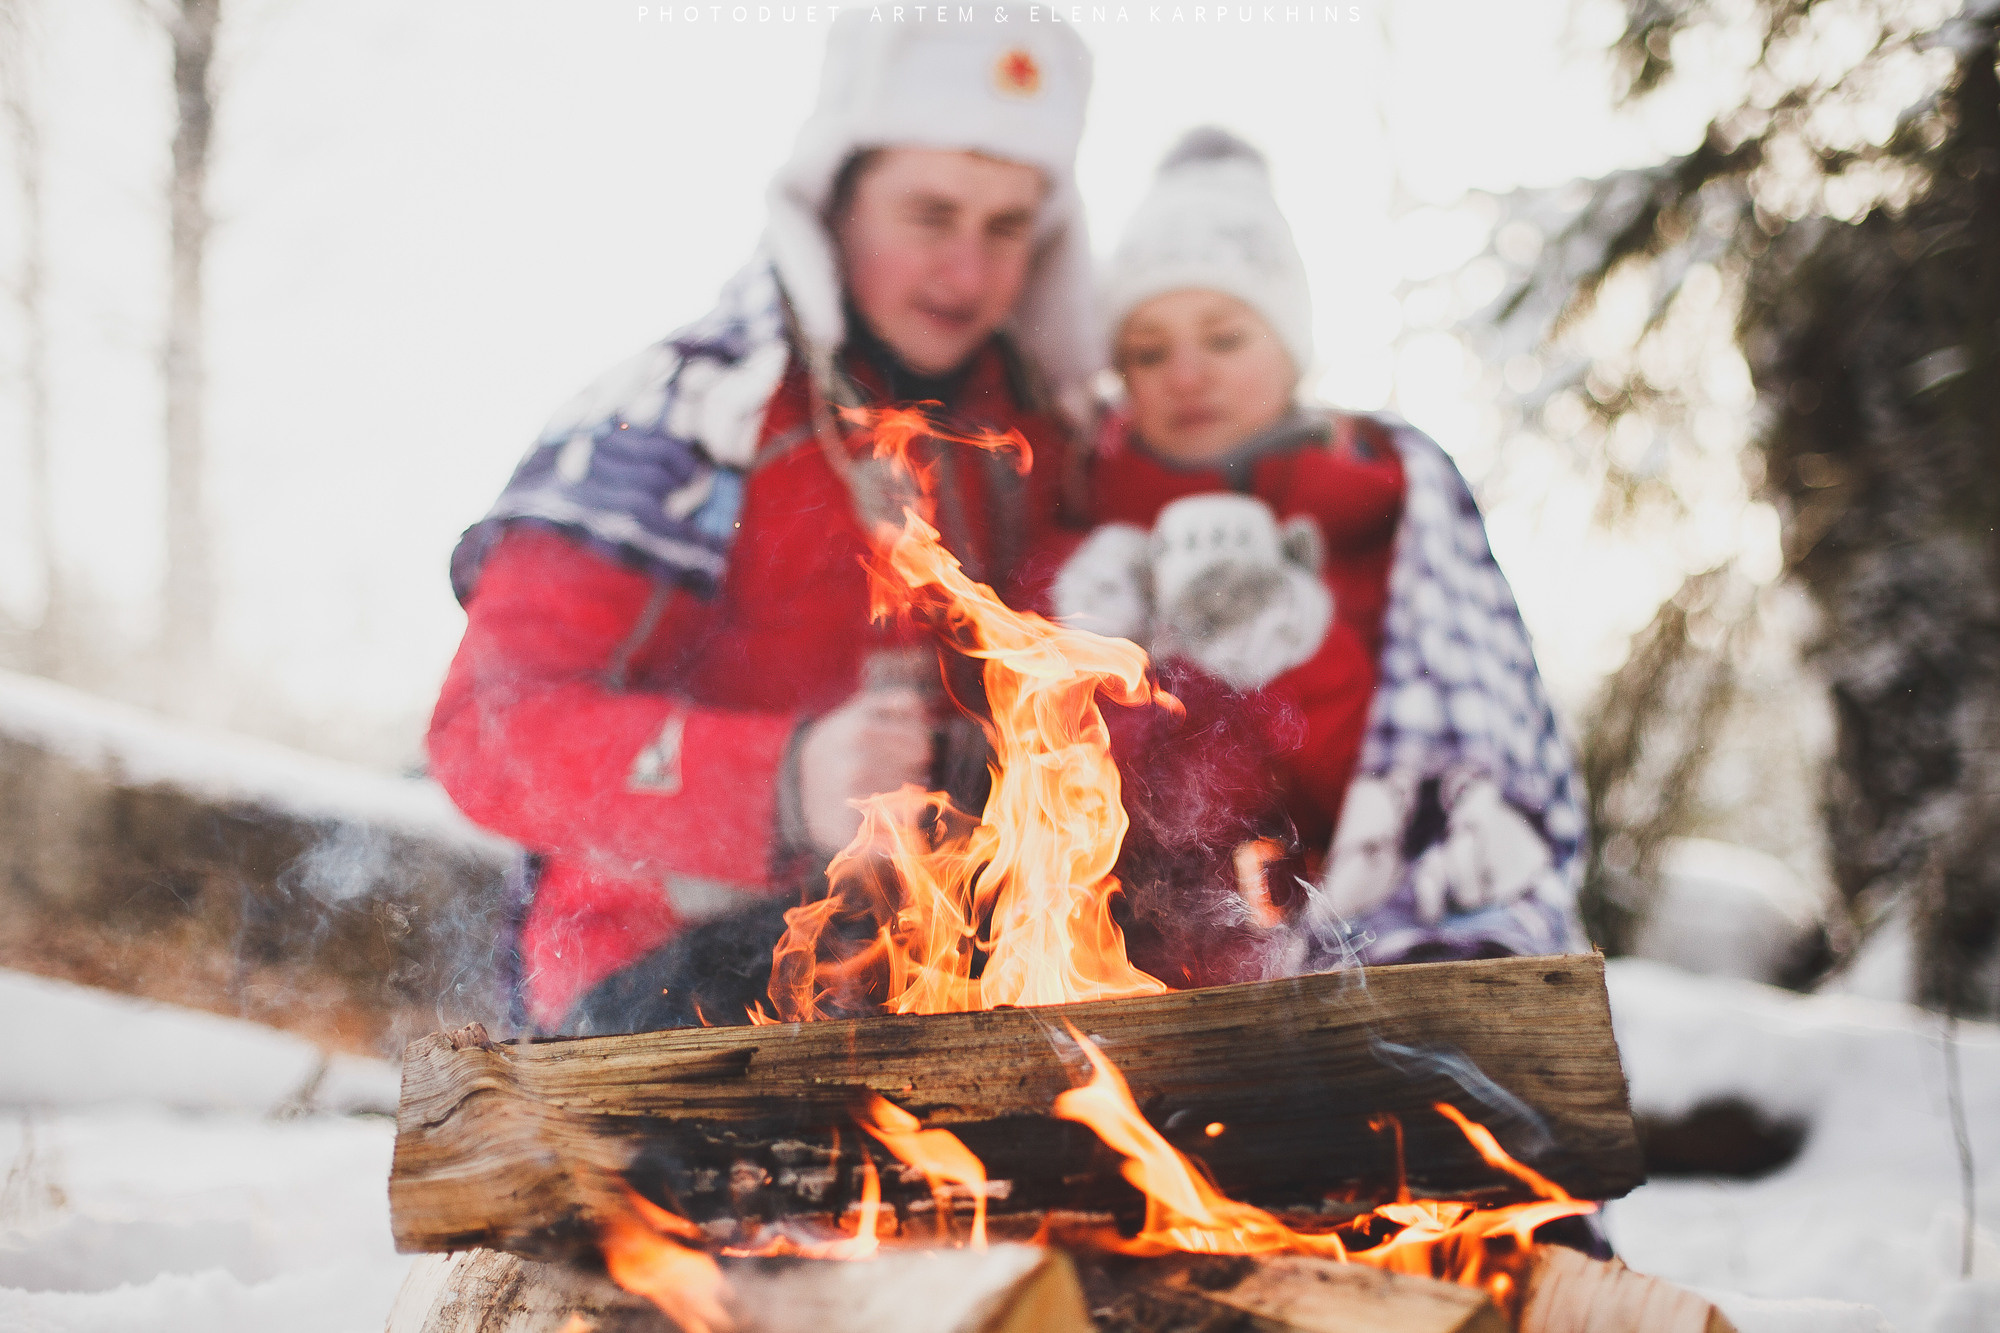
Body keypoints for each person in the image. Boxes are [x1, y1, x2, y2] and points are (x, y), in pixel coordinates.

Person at [428, 10, 1099, 1034]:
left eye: (1005, 228)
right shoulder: (686, 416)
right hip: (658, 991)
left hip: (949, 970)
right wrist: (784, 779)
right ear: (833, 206)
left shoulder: (1038, 448)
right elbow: (487, 726)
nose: (967, 273)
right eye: (929, 215)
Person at [1056, 128, 1588, 972]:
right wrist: (1117, 660)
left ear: (1289, 343)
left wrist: (1295, 655)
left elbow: (1420, 794)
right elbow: (1079, 816)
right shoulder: (1081, 527)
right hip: (1152, 973)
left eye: (1224, 337)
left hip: (1387, 953)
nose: (1185, 373)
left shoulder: (1385, 514)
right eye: (1148, 351)